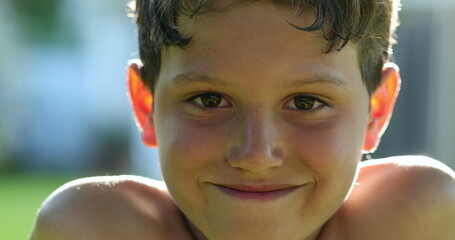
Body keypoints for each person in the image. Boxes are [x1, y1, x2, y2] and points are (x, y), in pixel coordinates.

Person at [30, 0, 455, 239]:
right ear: (145, 105)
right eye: (210, 99)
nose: (256, 154)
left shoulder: (420, 218)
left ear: (375, 111)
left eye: (306, 103)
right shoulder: (93, 231)